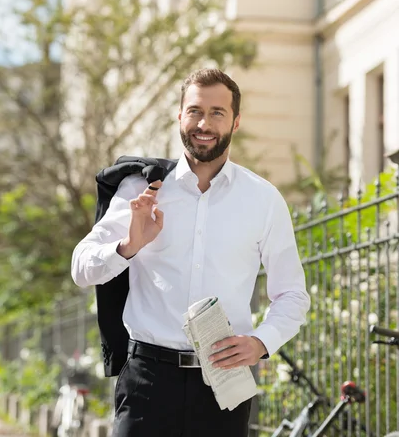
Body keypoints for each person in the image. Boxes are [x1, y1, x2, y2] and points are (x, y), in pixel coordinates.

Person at [71, 68, 310, 437]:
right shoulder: (141, 189)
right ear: (180, 116)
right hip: (147, 380)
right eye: (195, 110)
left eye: (217, 112)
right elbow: (81, 268)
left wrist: (262, 342)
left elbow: (292, 293)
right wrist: (129, 246)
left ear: (236, 121)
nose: (204, 123)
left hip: (224, 385)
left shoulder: (263, 200)